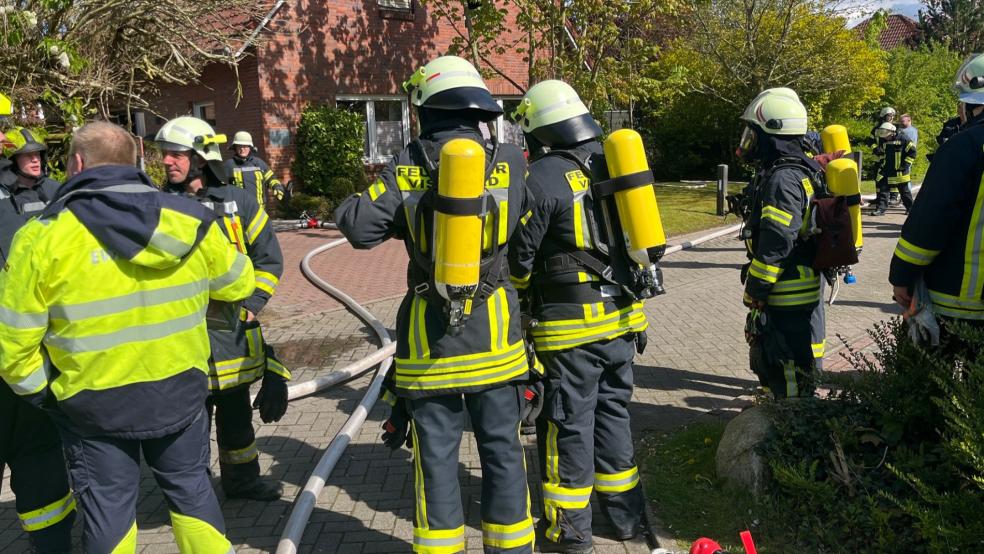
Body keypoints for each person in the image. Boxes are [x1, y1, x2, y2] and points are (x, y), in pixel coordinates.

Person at [0, 120, 255, 552]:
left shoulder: (40, 238)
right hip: (179, 390)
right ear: (138, 161)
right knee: (192, 492)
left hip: (92, 406)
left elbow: (13, 347)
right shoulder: (190, 220)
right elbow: (239, 283)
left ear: (77, 163)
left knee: (109, 509)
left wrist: (46, 395)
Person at [335, 55, 536, 553]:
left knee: (437, 459)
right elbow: (525, 221)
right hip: (497, 336)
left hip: (433, 344)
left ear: (424, 108)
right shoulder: (510, 161)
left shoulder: (408, 166)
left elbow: (359, 228)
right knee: (504, 452)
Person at [507, 80, 650, 554]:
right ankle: (627, 520)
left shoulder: (542, 175)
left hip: (569, 331)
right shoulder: (613, 161)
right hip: (623, 319)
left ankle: (570, 533)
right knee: (614, 416)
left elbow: (519, 262)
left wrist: (522, 305)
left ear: (540, 128)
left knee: (567, 425)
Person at [157, 116, 290, 501]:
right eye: (165, 155)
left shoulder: (239, 203)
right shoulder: (159, 205)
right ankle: (194, 497)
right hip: (184, 342)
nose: (167, 162)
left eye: (176, 155)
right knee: (188, 430)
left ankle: (243, 482)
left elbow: (269, 259)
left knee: (236, 422)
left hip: (233, 340)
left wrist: (253, 304)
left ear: (201, 158)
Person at [0, 98, 76, 553]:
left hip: (29, 346)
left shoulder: (48, 192)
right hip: (18, 344)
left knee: (38, 453)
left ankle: (53, 543)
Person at [737, 88, 824, 399]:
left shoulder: (782, 180)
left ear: (772, 133)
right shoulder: (798, 169)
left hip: (786, 289)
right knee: (790, 364)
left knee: (784, 365)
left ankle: (790, 426)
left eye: (753, 134)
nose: (748, 142)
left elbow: (777, 243)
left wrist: (755, 290)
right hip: (794, 284)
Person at [890, 53, 984, 334]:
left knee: (927, 376)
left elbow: (930, 221)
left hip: (957, 299)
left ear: (972, 105)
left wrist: (901, 275)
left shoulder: (964, 146)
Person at [223, 131, 286, 208]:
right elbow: (221, 187)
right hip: (239, 211)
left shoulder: (259, 163)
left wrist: (277, 187)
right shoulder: (229, 165)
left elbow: (270, 178)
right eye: (239, 146)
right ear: (235, 148)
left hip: (259, 209)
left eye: (245, 146)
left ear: (250, 147)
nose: (242, 149)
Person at [870, 122, 916, 216]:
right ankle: (881, 209)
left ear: (892, 132)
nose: (885, 138)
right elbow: (884, 154)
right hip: (887, 170)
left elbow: (912, 153)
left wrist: (905, 165)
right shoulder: (884, 140)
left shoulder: (904, 139)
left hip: (900, 172)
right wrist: (880, 158)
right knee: (883, 190)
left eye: (887, 136)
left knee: (905, 192)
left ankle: (910, 209)